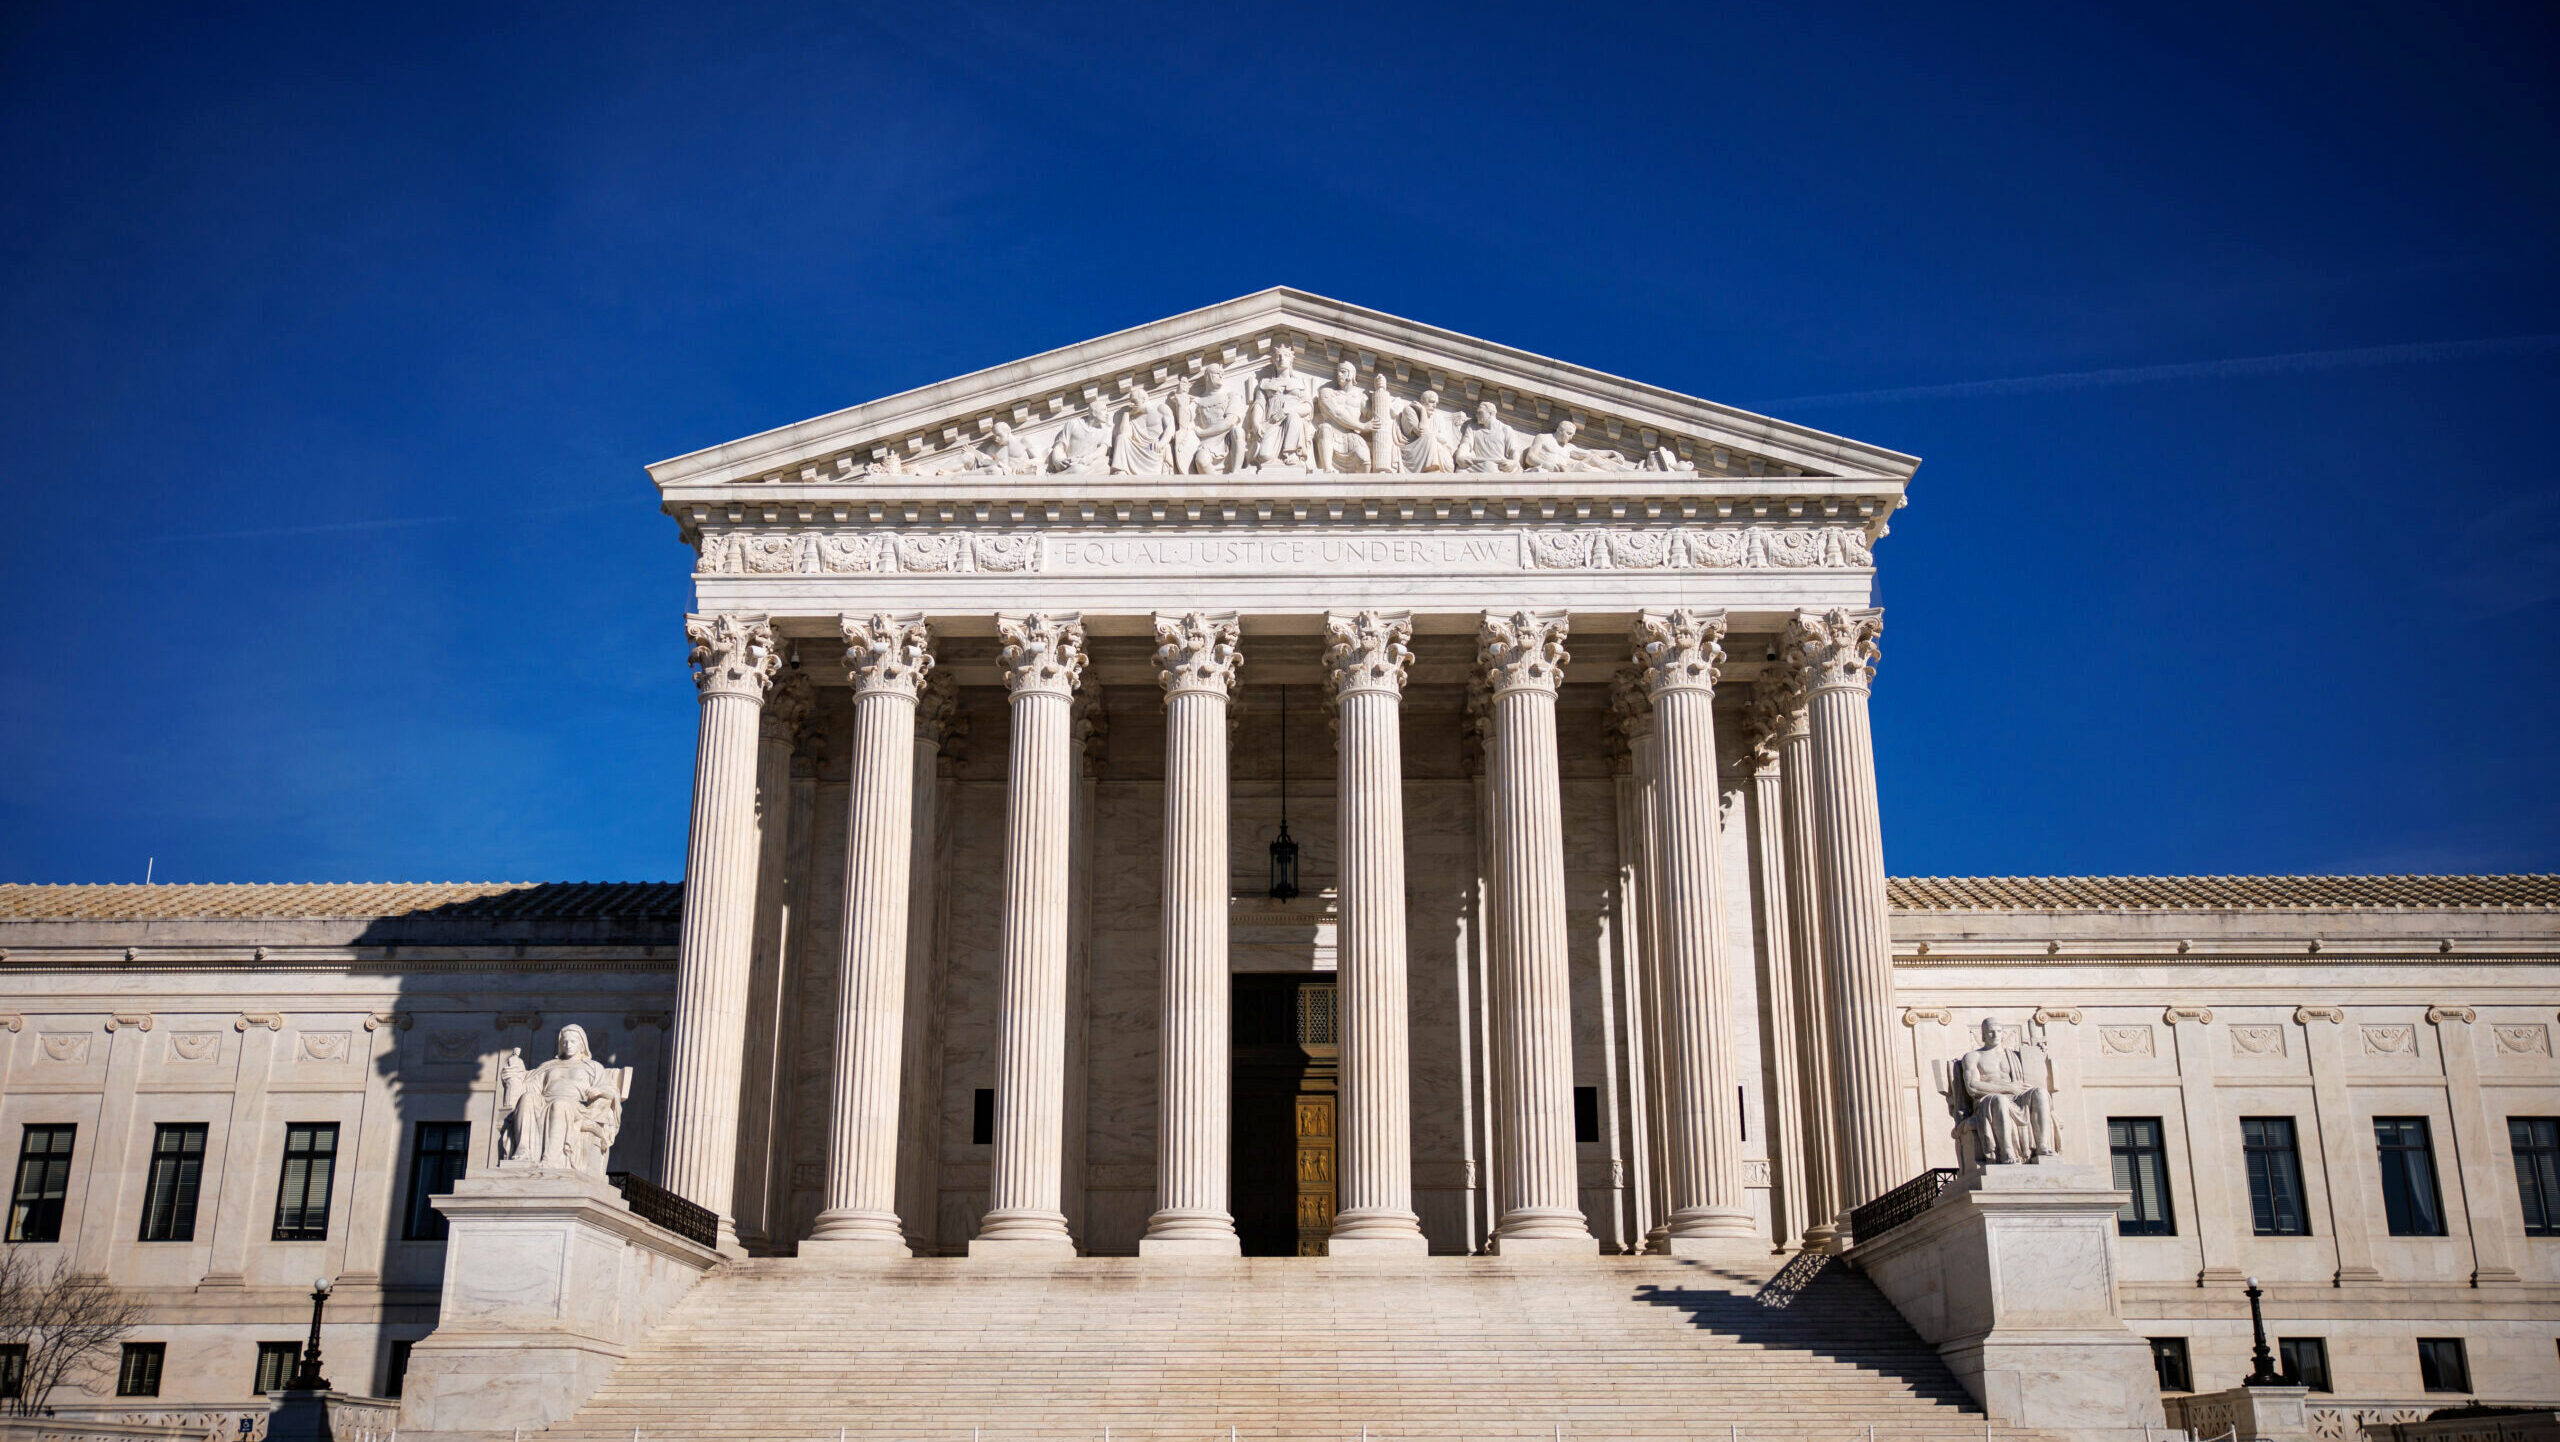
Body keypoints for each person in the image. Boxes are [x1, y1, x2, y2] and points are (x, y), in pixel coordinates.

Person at [498, 1024, 627, 1176]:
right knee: (527, 1099)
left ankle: (551, 1159)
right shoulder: (548, 1066)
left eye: (573, 1041)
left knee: (559, 1105)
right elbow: (528, 1087)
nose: (568, 1045)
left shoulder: (593, 1067)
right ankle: (523, 1152)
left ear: (582, 1044)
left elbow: (612, 1091)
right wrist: (514, 1074)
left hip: (577, 1107)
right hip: (545, 1101)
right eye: (564, 1042)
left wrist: (598, 1090)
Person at [1948, 1017, 2058, 1166]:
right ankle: (2006, 1152)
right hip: (1987, 1099)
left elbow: (2037, 1076)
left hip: (2017, 1096)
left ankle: (2043, 1146)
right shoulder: (1973, 1057)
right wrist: (2008, 1088)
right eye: (1990, 1032)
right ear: (1983, 1035)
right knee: (2000, 1100)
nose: (1995, 1035)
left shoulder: (2014, 1056)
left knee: (2041, 1093)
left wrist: (2039, 1055)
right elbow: (1972, 1086)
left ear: (2003, 1034)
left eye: (1998, 1031)